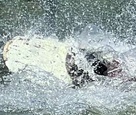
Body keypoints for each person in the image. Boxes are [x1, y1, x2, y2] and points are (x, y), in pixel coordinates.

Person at [0, 35, 129, 87]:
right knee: (118, 73)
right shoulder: (21, 42)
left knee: (114, 80)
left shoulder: (13, 63)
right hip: (73, 55)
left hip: (70, 71)